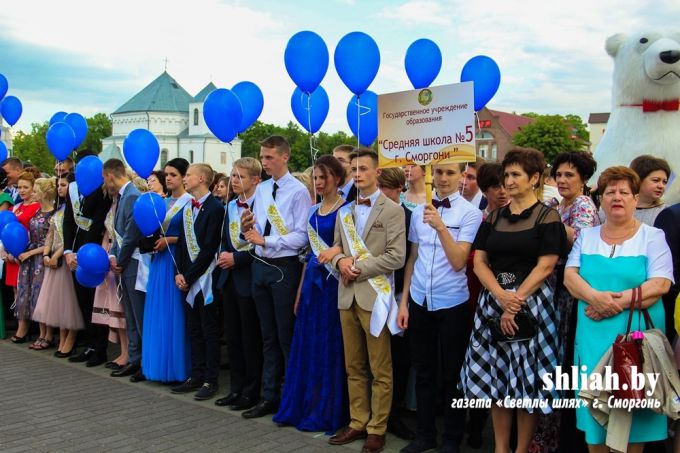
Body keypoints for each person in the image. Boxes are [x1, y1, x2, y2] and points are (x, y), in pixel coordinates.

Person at [461, 148, 567, 453]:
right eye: (506, 174)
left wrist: (515, 301)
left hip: (532, 304)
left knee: (527, 382)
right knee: (497, 379)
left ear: (534, 178)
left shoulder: (548, 216)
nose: (508, 180)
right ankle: (500, 447)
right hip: (494, 302)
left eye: (516, 174)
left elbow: (546, 265)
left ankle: (521, 449)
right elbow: (479, 262)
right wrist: (499, 296)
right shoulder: (494, 216)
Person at [564, 166, 673, 453]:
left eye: (624, 192)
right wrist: (595, 297)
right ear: (600, 198)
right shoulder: (586, 236)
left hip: (635, 342)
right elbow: (570, 277)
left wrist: (610, 303)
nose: (617, 197)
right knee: (594, 420)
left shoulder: (653, 236)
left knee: (631, 416)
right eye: (610, 191)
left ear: (636, 198)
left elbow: (660, 284)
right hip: (593, 339)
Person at [398, 162, 482, 453]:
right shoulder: (420, 211)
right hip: (420, 300)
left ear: (461, 176)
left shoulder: (470, 213)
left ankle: (451, 439)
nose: (444, 178)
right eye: (440, 173)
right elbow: (412, 257)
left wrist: (441, 226)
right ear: (432, 175)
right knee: (423, 371)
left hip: (452, 303)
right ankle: (424, 435)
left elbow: (460, 260)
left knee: (453, 374)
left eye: (450, 173)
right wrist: (405, 301)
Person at [328, 148, 406, 453]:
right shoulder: (344, 211)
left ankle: (378, 428)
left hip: (376, 297)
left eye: (363, 169)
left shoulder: (392, 210)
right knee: (354, 366)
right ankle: (358, 421)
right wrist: (340, 263)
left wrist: (355, 268)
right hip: (346, 295)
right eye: (354, 169)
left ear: (377, 173)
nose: (357, 173)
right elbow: (335, 248)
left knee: (381, 369)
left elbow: (396, 256)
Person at [273, 155, 349, 432]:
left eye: (323, 178)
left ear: (337, 179)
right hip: (311, 285)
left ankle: (327, 408)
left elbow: (348, 249)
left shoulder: (347, 210)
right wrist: (299, 292)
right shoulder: (313, 210)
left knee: (329, 345)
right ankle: (305, 404)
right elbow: (309, 254)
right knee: (307, 343)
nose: (317, 182)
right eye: (315, 178)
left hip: (334, 284)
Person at [532, 151, 600, 453]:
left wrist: (547, 227)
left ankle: (556, 439)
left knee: (560, 362)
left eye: (569, 175)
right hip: (548, 288)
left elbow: (578, 241)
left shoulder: (583, 206)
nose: (562, 180)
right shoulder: (556, 205)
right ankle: (545, 435)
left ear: (583, 179)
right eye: (558, 174)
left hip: (568, 291)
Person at [239, 135, 312, 418]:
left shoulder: (298, 191)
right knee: (266, 335)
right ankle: (269, 396)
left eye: (269, 157)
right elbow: (255, 227)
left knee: (285, 336)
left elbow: (302, 235)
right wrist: (247, 227)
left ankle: (293, 397)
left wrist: (266, 240)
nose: (265, 162)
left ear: (284, 157)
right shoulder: (263, 189)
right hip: (259, 264)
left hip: (284, 267)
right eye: (262, 157)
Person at [171, 163, 224, 400]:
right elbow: (182, 244)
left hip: (206, 279)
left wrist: (191, 276)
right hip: (188, 278)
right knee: (193, 329)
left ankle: (210, 380)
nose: (185, 178)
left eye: (188, 175)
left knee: (209, 330)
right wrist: (179, 273)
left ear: (201, 178)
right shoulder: (187, 208)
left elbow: (209, 248)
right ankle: (196, 374)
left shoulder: (215, 208)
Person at [214, 158, 262, 411]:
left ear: (255, 180)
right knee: (233, 337)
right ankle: (236, 387)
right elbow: (225, 237)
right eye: (232, 176)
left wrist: (238, 258)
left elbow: (264, 243)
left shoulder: (262, 205)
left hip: (250, 276)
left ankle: (251, 391)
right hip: (229, 277)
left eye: (240, 176)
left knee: (249, 337)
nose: (234, 181)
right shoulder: (231, 206)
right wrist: (224, 255)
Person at [140, 158, 193, 384]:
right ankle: (157, 365)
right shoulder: (161, 201)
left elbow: (193, 235)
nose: (169, 178)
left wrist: (170, 239)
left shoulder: (189, 202)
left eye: (173, 175)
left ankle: (177, 367)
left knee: (175, 315)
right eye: (167, 175)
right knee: (158, 313)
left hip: (176, 263)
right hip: (159, 261)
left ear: (184, 177)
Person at [377, 166, 416, 441]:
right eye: (378, 188)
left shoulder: (409, 217)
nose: (381, 194)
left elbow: (410, 258)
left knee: (399, 359)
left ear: (399, 189)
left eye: (386, 188)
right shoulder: (366, 213)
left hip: (399, 293)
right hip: (373, 289)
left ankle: (396, 412)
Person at [64, 150, 112, 367]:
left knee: (95, 302)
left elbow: (97, 224)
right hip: (74, 252)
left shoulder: (101, 191)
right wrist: (67, 251)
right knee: (83, 300)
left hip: (92, 253)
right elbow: (68, 221)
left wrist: (82, 254)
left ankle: (99, 348)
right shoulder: (72, 188)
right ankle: (89, 344)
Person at [32, 174, 84, 357]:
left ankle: (70, 337)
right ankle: (61, 337)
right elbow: (51, 234)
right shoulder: (59, 209)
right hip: (54, 259)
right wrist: (46, 254)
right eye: (58, 185)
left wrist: (56, 255)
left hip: (65, 257)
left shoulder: (76, 208)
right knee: (57, 303)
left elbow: (73, 235)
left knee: (68, 302)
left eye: (63, 185)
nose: (60, 188)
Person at [104, 159, 145, 380]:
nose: (105, 183)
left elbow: (131, 234)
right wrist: (112, 255)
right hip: (124, 262)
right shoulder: (122, 196)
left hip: (133, 263)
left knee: (137, 315)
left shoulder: (132, 196)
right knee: (129, 313)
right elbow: (118, 233)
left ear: (110, 175)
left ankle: (142, 362)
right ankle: (134, 358)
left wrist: (119, 259)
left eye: (104, 178)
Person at [91, 181, 128, 369]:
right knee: (110, 304)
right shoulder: (112, 204)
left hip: (119, 253)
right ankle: (122, 350)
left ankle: (127, 352)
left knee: (119, 304)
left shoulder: (126, 202)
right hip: (108, 251)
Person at [16, 178, 56, 349]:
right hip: (31, 259)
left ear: (44, 193)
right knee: (33, 295)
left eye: (36, 190)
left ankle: (48, 335)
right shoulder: (37, 211)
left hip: (42, 258)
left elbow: (50, 241)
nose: (33, 193)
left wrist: (31, 252)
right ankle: (41, 333)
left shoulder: (53, 214)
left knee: (43, 295)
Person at [5, 170, 41, 342]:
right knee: (15, 290)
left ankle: (26, 327)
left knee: (27, 291)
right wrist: (7, 252)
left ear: (33, 188)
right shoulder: (15, 207)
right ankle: (21, 323)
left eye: (26, 187)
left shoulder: (37, 207)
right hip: (13, 255)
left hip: (28, 254)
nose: (22, 190)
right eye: (19, 187)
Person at [630, 155, 670, 225]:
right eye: (656, 180)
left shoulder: (667, 213)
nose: (661, 186)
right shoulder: (616, 208)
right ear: (638, 180)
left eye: (664, 182)